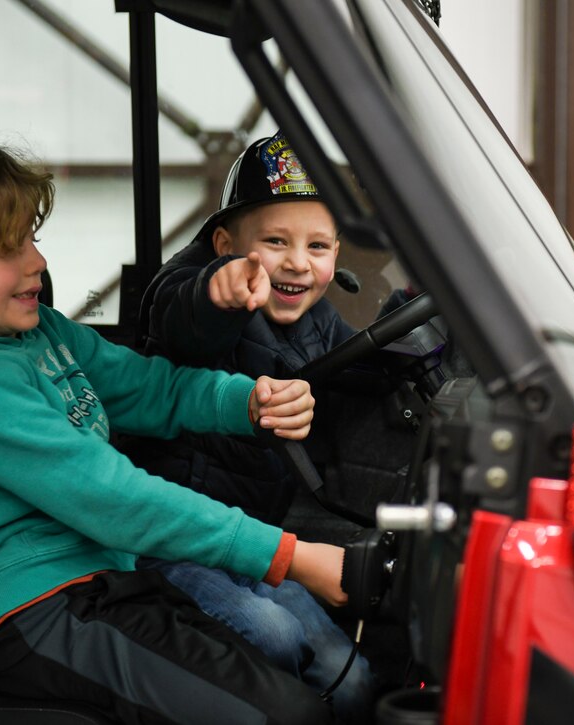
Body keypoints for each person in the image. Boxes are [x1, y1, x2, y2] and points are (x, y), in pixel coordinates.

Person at [0, 127, 347, 725]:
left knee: (287, 672)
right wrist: (291, 556)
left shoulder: (39, 332)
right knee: (283, 714)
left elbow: (149, 386)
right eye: (6, 247)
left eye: (31, 239)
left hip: (103, 576)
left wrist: (248, 401)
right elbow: (110, 495)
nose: (37, 261)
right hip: (29, 609)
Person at [125, 130, 375, 723]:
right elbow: (183, 325)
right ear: (224, 243)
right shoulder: (193, 296)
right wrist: (219, 293)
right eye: (274, 241)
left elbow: (363, 375)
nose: (296, 262)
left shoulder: (319, 320)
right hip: (175, 543)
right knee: (275, 637)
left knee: (354, 676)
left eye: (318, 245)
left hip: (256, 540)